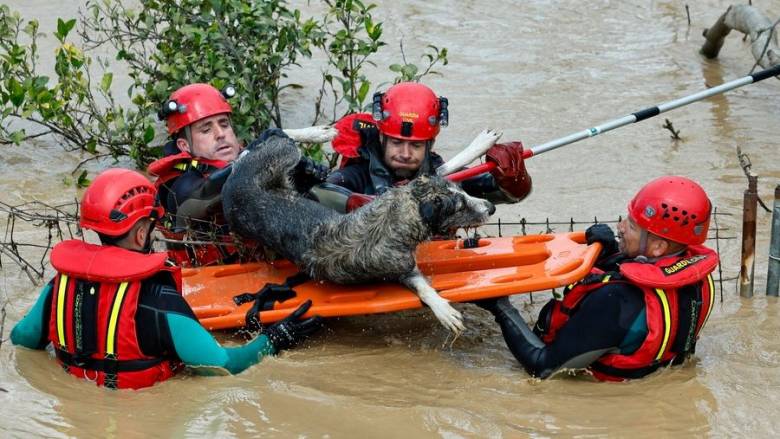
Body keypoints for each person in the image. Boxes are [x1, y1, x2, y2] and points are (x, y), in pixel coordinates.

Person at [10, 168, 322, 390]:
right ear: (142, 232)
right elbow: (224, 366)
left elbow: (22, 339)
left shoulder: (59, 287)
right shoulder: (158, 300)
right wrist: (275, 339)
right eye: (152, 225)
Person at [474, 176, 718, 381]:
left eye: (632, 226)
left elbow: (544, 368)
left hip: (603, 393)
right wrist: (611, 253)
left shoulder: (615, 301)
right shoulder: (697, 275)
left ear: (658, 247)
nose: (620, 226)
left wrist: (500, 306)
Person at [147, 83, 331, 265]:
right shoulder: (180, 187)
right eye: (206, 129)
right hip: (213, 280)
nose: (220, 134)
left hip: (267, 267)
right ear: (184, 146)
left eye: (224, 124)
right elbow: (213, 191)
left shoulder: (254, 160)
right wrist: (257, 152)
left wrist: (299, 182)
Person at [309, 82, 533, 213]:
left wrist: (514, 179)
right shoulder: (355, 175)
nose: (405, 154)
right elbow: (317, 194)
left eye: (415, 145)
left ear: (430, 144)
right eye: (397, 143)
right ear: (381, 139)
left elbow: (507, 195)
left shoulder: (444, 175)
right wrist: (366, 205)